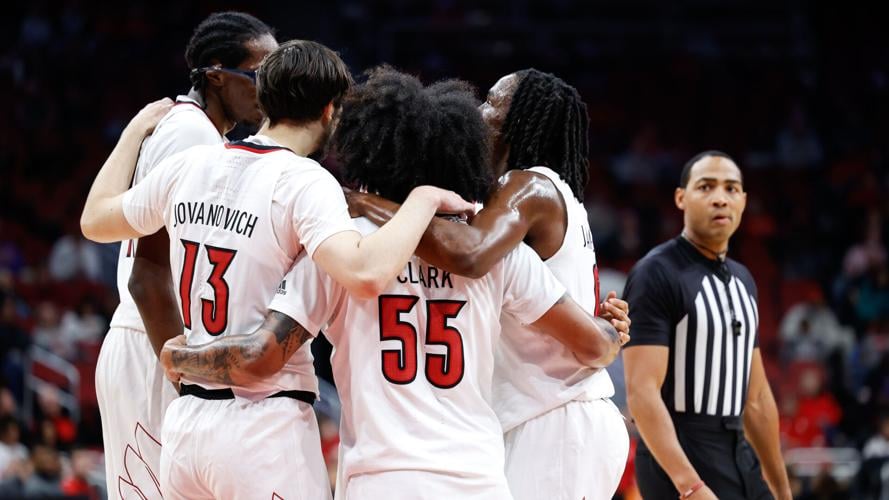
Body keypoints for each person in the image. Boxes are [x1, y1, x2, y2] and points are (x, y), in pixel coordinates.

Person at [158, 67, 628, 500]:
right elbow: (594, 345)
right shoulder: (505, 259)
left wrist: (180, 355)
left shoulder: (342, 254)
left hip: (380, 481)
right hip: (479, 479)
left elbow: (259, 357)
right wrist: (611, 328)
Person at [80, 42, 472, 499]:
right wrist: (423, 199)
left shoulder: (191, 165)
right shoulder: (304, 180)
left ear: (264, 100)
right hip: (262, 426)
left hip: (186, 427)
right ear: (330, 110)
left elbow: (94, 220)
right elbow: (364, 272)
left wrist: (132, 134)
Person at [347, 68, 630, 499]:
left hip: (556, 419)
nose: (478, 112)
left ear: (517, 123)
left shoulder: (528, 184)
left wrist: (372, 205)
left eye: (491, 103)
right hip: (552, 415)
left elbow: (469, 253)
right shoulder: (538, 192)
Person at [94, 11, 277, 498]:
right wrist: (189, 381)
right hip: (156, 336)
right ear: (217, 73)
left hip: (160, 340)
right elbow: (147, 275)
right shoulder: (190, 133)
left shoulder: (194, 129)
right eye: (260, 74)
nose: (270, 88)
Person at [622, 151, 792, 500]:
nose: (720, 197)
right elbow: (642, 394)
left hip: (735, 448)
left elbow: (757, 398)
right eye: (706, 187)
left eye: (731, 188)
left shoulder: (744, 280)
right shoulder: (656, 273)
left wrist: (781, 489)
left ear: (743, 201)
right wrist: (690, 485)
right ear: (681, 197)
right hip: (679, 450)